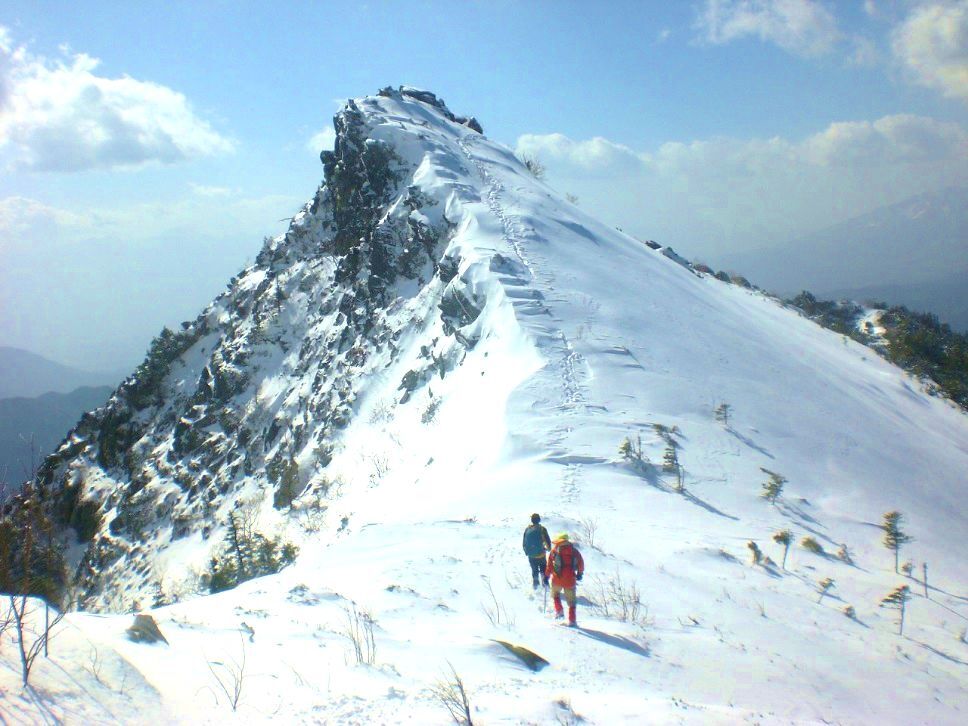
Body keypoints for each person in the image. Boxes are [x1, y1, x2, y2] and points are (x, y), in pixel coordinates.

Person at [545, 532, 585, 627]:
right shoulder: (575, 552)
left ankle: (559, 611)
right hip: (570, 580)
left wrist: (546, 576)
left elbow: (549, 566)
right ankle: (572, 620)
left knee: (555, 595)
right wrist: (579, 574)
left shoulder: (554, 552)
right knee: (572, 602)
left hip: (557, 579)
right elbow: (581, 564)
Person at [522, 513, 551, 590]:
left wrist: (527, 552)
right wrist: (548, 549)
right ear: (539, 520)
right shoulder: (542, 529)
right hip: (541, 554)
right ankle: (545, 583)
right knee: (543, 568)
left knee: (534, 570)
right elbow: (547, 541)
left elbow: (524, 542)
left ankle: (536, 585)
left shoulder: (527, 529)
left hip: (531, 555)